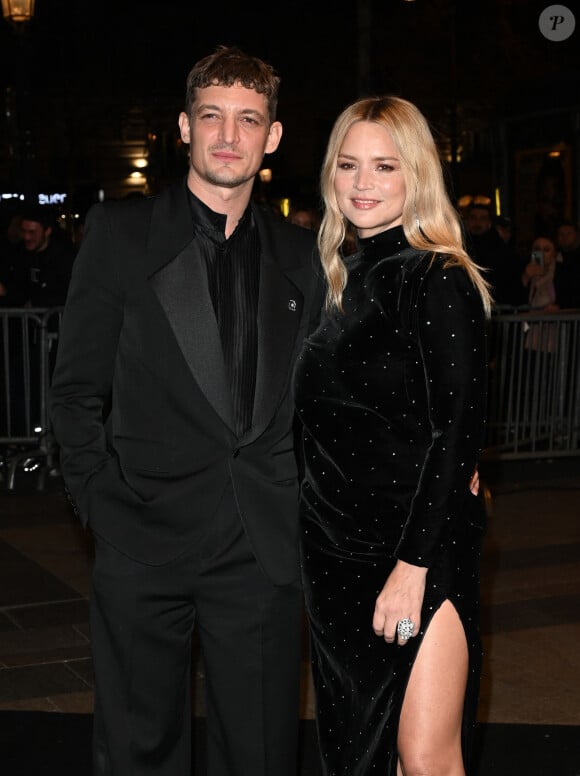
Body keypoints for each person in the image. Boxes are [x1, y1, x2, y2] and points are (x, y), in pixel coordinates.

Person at [49, 45, 323, 776]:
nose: (229, 136)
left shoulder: (305, 256)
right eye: (212, 117)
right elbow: (75, 391)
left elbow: (326, 405)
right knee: (138, 750)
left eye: (248, 119)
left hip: (260, 551)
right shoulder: (120, 234)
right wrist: (100, 504)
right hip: (142, 540)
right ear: (183, 126)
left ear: (273, 137)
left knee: (261, 756)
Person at [294, 95, 492, 776]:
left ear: (416, 175)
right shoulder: (341, 280)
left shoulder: (436, 278)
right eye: (347, 165)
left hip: (414, 554)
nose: (362, 182)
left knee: (426, 758)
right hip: (335, 558)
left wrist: (413, 568)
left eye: (384, 165)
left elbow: (457, 431)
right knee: (362, 758)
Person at [3, 204, 76, 307]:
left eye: (32, 232)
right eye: (24, 231)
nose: (26, 237)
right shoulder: (21, 254)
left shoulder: (64, 257)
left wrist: (35, 302)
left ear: (47, 231)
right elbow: (18, 287)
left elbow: (68, 294)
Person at [464, 201, 519, 307]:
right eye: (473, 217)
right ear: (467, 221)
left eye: (482, 218)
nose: (477, 222)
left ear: (489, 223)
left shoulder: (498, 247)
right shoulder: (460, 245)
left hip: (494, 305)